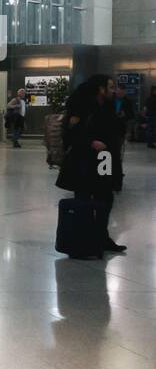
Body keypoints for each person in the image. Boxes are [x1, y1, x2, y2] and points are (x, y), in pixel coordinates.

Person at [57, 74, 125, 255]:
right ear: (100, 89)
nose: (113, 91)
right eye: (110, 87)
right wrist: (90, 143)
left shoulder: (107, 107)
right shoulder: (81, 107)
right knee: (84, 197)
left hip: (105, 158)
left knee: (105, 196)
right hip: (84, 161)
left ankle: (101, 237)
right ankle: (83, 240)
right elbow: (71, 134)